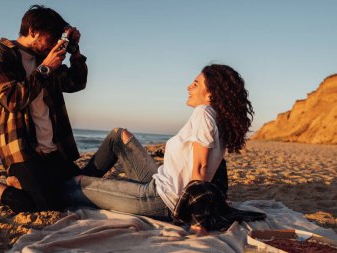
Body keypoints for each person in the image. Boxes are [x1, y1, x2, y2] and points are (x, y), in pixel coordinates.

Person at [63, 64, 266, 234]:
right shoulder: (217, 119)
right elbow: (218, 166)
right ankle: (87, 182)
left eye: (195, 84)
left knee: (76, 185)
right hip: (160, 181)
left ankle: (73, 186)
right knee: (118, 136)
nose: (188, 87)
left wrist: (199, 221)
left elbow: (202, 169)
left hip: (161, 200)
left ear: (211, 94)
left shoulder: (203, 113)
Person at [0, 5, 88, 213]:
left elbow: (76, 83)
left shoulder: (45, 59)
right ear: (33, 31)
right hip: (23, 151)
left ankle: (26, 184)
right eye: (51, 39)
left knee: (77, 198)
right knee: (41, 208)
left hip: (54, 150)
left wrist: (74, 51)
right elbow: (11, 99)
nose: (53, 46)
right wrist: (45, 69)